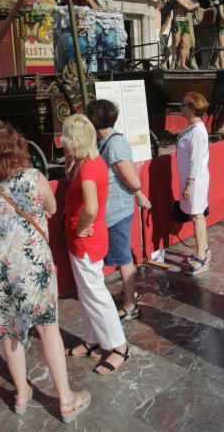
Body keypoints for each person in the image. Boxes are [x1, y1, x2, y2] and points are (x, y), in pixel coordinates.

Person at [0, 125, 91, 422]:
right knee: (48, 329)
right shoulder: (33, 178)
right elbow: (51, 207)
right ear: (19, 150)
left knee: (9, 332)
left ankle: (22, 393)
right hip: (31, 268)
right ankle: (65, 399)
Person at [60, 114, 130, 374]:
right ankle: (92, 341)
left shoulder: (88, 167)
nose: (62, 141)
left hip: (85, 241)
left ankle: (119, 346)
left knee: (96, 295)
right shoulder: (91, 160)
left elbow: (91, 206)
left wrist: (79, 227)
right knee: (87, 293)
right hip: (89, 239)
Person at [85, 100, 152, 322]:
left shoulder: (115, 145)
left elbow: (132, 181)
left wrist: (138, 192)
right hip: (113, 210)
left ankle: (130, 304)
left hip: (117, 211)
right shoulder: (105, 142)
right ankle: (128, 293)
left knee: (123, 257)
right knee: (122, 255)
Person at [176, 91, 212, 275]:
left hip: (195, 179)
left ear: (191, 109)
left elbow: (196, 159)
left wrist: (189, 184)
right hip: (191, 178)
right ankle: (204, 248)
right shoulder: (193, 127)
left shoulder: (197, 131)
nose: (180, 107)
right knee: (196, 215)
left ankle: (201, 256)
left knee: (197, 215)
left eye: (183, 105)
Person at [172, 0, 201, 70]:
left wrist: (195, 6)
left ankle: (183, 64)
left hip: (185, 23)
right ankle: (164, 62)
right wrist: (197, 4)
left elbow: (192, 10)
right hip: (177, 22)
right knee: (176, 44)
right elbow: (188, 8)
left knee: (184, 44)